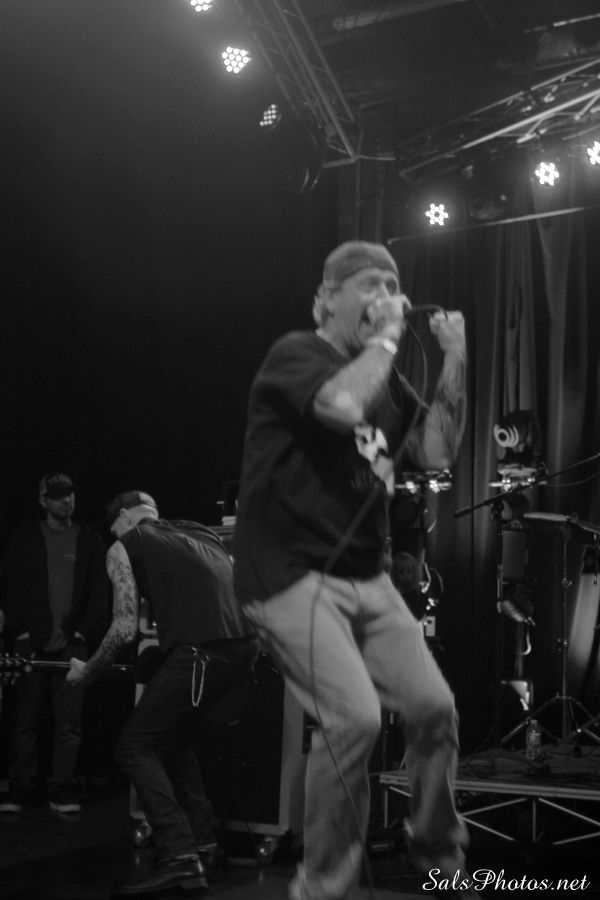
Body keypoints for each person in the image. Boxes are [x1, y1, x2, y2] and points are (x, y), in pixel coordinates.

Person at [233, 240, 470, 900]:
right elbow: (340, 407)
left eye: (393, 285)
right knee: (355, 720)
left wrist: (455, 355)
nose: (386, 296)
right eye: (369, 284)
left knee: (433, 707)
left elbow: (437, 450)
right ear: (326, 299)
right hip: (288, 576)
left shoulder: (386, 377)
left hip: (367, 578)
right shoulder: (296, 355)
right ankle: (323, 887)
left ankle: (440, 860)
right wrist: (388, 339)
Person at [67, 491, 259, 897]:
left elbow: (124, 629)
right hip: (244, 651)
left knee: (132, 747)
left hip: (202, 654)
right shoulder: (201, 533)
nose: (114, 536)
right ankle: (203, 842)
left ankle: (179, 854)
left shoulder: (124, 545)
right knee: (172, 737)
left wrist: (88, 670)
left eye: (114, 529)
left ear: (123, 518)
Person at [0, 472, 108, 813]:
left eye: (70, 493)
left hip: (72, 643)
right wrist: (20, 631)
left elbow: (100, 592)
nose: (67, 500)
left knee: (69, 724)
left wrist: (84, 632)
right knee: (25, 721)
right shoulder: (25, 538)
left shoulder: (89, 540)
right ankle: (21, 787)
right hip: (30, 641)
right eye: (59, 495)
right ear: (43, 500)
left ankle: (60, 788)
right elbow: (11, 585)